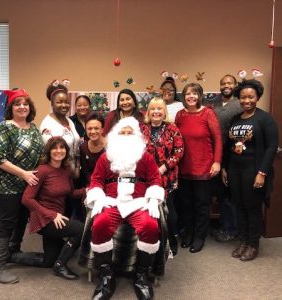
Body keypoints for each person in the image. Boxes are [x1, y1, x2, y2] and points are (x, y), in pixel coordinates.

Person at [86, 117, 164, 300]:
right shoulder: (106, 157)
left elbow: (155, 179)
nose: (127, 136)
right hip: (112, 201)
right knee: (100, 224)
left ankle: (141, 275)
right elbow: (96, 179)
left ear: (137, 135)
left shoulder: (145, 157)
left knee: (151, 226)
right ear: (115, 135)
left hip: (138, 202)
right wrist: (98, 198)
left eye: (130, 133)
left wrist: (153, 199)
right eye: (123, 132)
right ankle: (106, 275)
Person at [0, 89, 44, 284]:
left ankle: (12, 252)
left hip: (26, 185)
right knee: (7, 222)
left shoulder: (34, 127)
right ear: (10, 107)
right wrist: (23, 173)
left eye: (25, 103)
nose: (22, 107)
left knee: (21, 219)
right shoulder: (4, 127)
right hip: (5, 185)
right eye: (17, 103)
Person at [10, 137, 85, 278]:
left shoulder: (66, 170)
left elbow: (70, 193)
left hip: (57, 218)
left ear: (66, 151)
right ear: (49, 151)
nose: (58, 151)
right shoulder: (42, 170)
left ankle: (10, 256)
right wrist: (52, 215)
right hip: (45, 219)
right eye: (54, 148)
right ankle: (60, 266)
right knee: (80, 230)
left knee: (48, 260)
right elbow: (26, 199)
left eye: (62, 147)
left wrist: (87, 190)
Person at [222, 79, 278, 261]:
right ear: (239, 98)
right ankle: (243, 241)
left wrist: (262, 173)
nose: (247, 100)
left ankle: (253, 244)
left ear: (257, 97)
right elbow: (229, 145)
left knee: (252, 208)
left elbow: (271, 147)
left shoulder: (265, 119)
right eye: (243, 97)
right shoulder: (235, 119)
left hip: (253, 171)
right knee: (239, 207)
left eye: (251, 97)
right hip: (234, 170)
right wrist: (224, 168)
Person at [175, 83, 222, 253]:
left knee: (202, 205)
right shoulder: (180, 115)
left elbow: (218, 139)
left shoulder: (208, 113)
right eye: (188, 94)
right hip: (184, 167)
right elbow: (176, 140)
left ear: (200, 96)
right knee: (186, 204)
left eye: (195, 93)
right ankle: (188, 233)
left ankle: (199, 236)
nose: (191, 97)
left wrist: (217, 161)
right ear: (184, 97)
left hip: (204, 167)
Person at [144, 97, 184, 256]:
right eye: (153, 109)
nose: (156, 112)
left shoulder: (172, 128)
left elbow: (179, 151)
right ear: (148, 112)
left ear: (164, 112)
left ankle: (172, 244)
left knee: (169, 213)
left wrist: (163, 168)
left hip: (168, 177)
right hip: (147, 178)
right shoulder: (142, 129)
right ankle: (153, 244)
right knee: (151, 211)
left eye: (159, 109)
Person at [211, 75, 243, 242]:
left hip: (233, 156)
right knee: (220, 194)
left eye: (230, 83)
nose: (226, 85)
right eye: (223, 83)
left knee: (230, 195)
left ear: (235, 85)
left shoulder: (240, 104)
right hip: (216, 155)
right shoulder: (214, 103)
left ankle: (231, 229)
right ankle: (225, 225)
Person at [40, 80, 80, 178]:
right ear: (52, 104)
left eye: (67, 102)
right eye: (59, 102)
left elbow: (76, 146)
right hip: (57, 175)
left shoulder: (68, 120)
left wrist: (77, 167)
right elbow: (52, 155)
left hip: (72, 172)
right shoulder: (47, 125)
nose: (64, 105)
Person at [80, 112, 107, 188]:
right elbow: (86, 171)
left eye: (96, 128)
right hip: (91, 185)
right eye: (89, 128)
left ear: (102, 129)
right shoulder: (83, 147)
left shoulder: (110, 146)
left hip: (108, 185)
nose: (93, 131)